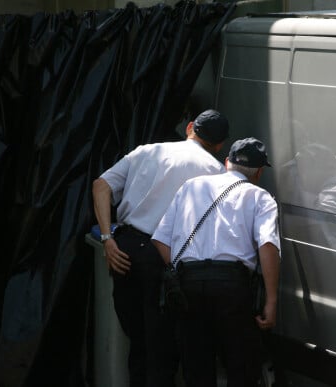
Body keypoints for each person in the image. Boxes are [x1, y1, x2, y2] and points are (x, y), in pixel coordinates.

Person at [91, 109, 230, 387]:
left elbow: (101, 185)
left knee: (137, 339)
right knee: (162, 346)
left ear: (190, 127)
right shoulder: (215, 170)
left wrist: (108, 238)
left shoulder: (147, 150)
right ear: (220, 145)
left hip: (125, 251)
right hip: (167, 258)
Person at [151, 137, 281, 387]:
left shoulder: (190, 187)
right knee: (240, 368)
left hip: (188, 283)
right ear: (259, 172)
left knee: (197, 370)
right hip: (232, 286)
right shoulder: (260, 197)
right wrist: (271, 301)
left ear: (226, 162)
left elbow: (160, 240)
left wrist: (182, 273)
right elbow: (268, 245)